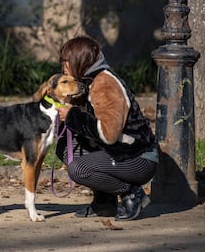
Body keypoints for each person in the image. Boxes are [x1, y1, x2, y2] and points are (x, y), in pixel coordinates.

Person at [55, 35, 159, 221]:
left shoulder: (105, 83)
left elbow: (109, 134)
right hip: (117, 153)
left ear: (79, 60)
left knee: (79, 169)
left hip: (137, 157)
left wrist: (72, 116)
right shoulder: (84, 82)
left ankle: (132, 193)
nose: (63, 65)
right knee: (64, 147)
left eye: (65, 60)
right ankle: (104, 202)